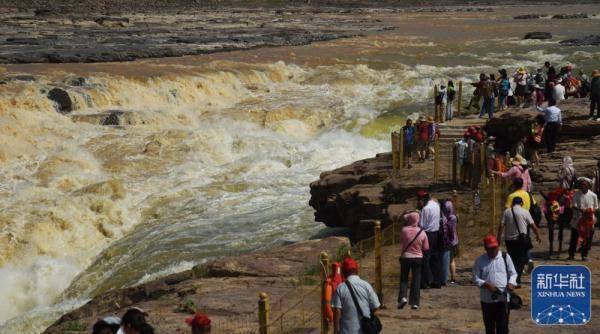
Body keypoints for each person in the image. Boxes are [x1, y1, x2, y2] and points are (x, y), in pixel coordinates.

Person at [473, 235, 517, 334]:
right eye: (491, 248)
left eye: (495, 247)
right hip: (487, 301)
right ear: (485, 248)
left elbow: (513, 273)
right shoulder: (480, 261)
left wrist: (511, 283)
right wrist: (487, 285)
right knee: (489, 328)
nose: (494, 250)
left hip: (503, 299)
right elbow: (475, 278)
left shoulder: (505, 257)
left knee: (503, 327)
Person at [497, 196, 541, 284]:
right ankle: (517, 278)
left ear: (513, 203)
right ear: (521, 203)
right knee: (521, 260)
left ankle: (513, 278)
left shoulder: (506, 212)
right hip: (521, 240)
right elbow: (533, 226)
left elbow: (501, 226)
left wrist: (498, 238)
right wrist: (538, 236)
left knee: (512, 259)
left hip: (509, 240)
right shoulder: (525, 212)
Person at [332, 258, 381, 334]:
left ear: (343, 272)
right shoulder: (366, 285)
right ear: (357, 270)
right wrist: (366, 314)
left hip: (346, 330)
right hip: (365, 330)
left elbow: (337, 311)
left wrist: (335, 331)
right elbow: (375, 306)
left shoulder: (340, 288)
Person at [398, 211, 428, 310]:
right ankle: (415, 303)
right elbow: (426, 247)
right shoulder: (422, 232)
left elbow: (401, 242)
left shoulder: (404, 230)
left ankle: (403, 297)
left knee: (404, 278)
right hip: (418, 258)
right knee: (416, 280)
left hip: (405, 257)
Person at [568, 178, 599, 261]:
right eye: (582, 185)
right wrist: (581, 210)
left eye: (585, 185)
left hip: (589, 220)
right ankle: (571, 255)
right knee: (574, 237)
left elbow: (596, 207)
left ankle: (584, 255)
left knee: (588, 238)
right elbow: (573, 205)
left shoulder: (593, 195)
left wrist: (590, 211)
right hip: (578, 218)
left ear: (588, 186)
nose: (583, 186)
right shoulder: (576, 194)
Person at [417, 190, 442, 289]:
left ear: (422, 199)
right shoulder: (436, 205)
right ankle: (437, 281)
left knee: (425, 259)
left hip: (427, 234)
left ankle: (424, 282)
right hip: (436, 233)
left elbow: (422, 225)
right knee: (435, 259)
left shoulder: (425, 209)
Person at [440, 200, 459, 285]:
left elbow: (450, 229)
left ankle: (451, 277)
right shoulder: (453, 216)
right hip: (453, 240)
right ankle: (451, 277)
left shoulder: (451, 217)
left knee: (450, 259)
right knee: (450, 259)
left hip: (450, 241)